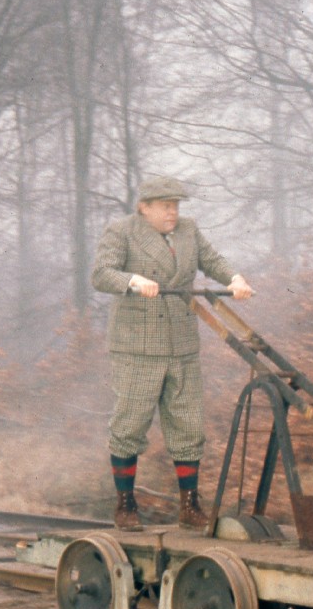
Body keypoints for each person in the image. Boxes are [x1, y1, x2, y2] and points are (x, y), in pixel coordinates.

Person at [91, 176, 254, 530]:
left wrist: (235, 279)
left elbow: (212, 260)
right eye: (165, 205)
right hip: (137, 346)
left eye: (176, 205)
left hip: (180, 344)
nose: (172, 212)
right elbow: (102, 274)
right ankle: (125, 504)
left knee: (188, 424)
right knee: (130, 423)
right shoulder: (122, 232)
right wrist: (132, 281)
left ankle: (190, 506)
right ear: (143, 207)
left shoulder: (188, 230)